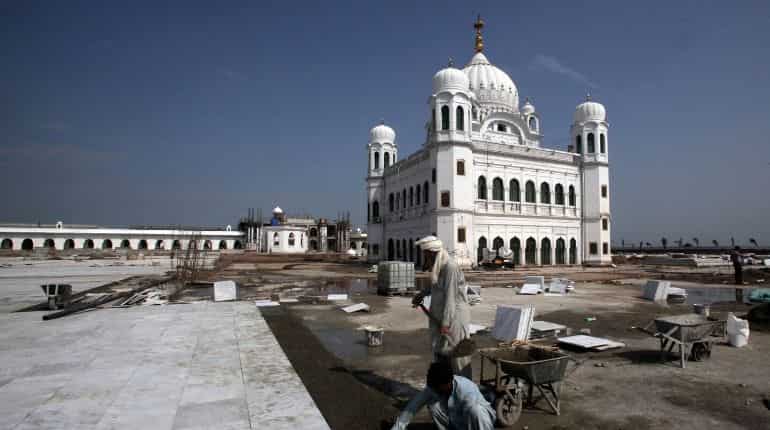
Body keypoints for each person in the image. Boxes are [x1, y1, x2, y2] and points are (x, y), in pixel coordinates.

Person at [412, 235, 472, 377]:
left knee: (457, 356)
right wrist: (421, 294)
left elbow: (450, 297)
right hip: (441, 314)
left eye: (426, 254)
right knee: (441, 354)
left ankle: (465, 390)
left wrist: (446, 323)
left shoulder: (450, 267)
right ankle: (447, 389)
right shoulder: (439, 265)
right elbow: (435, 284)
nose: (424, 257)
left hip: (454, 318)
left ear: (432, 253)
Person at [391, 361, 496, 430]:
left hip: (478, 423)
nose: (435, 391)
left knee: (475, 410)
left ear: (448, 383)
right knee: (434, 406)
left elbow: (475, 416)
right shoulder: (436, 386)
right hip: (457, 421)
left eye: (437, 388)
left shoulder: (466, 391)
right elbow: (412, 407)